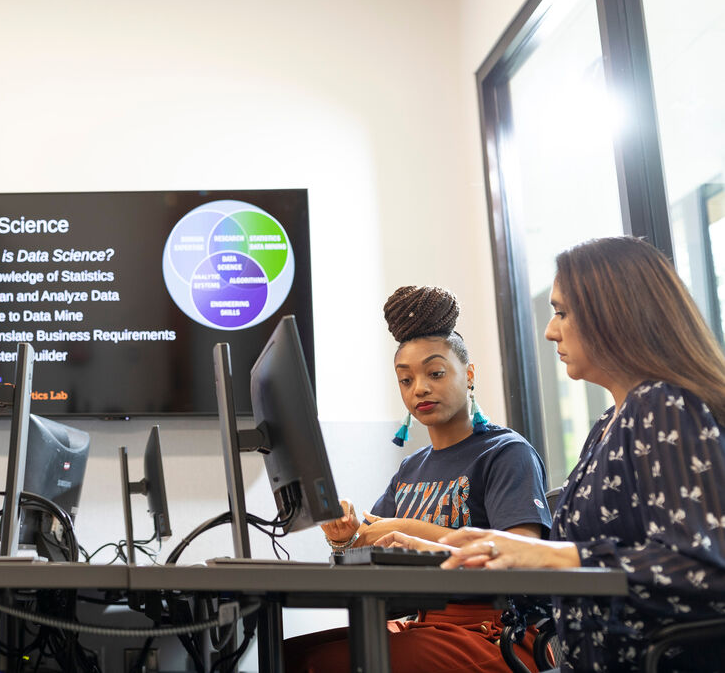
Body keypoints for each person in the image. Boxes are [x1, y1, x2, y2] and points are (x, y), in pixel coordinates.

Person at [382, 237, 725, 672]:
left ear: (615, 312)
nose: (550, 330)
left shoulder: (662, 407)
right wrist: (476, 546)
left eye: (562, 311)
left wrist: (550, 554)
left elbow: (702, 568)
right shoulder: (608, 423)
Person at [285, 284, 553, 673]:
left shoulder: (506, 453)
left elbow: (523, 557)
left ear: (469, 374)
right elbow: (375, 555)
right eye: (406, 380)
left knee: (320, 663)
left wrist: (411, 529)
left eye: (435, 373)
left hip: (495, 634)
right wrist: (345, 535)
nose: (420, 388)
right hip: (425, 623)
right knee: (290, 655)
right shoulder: (410, 470)